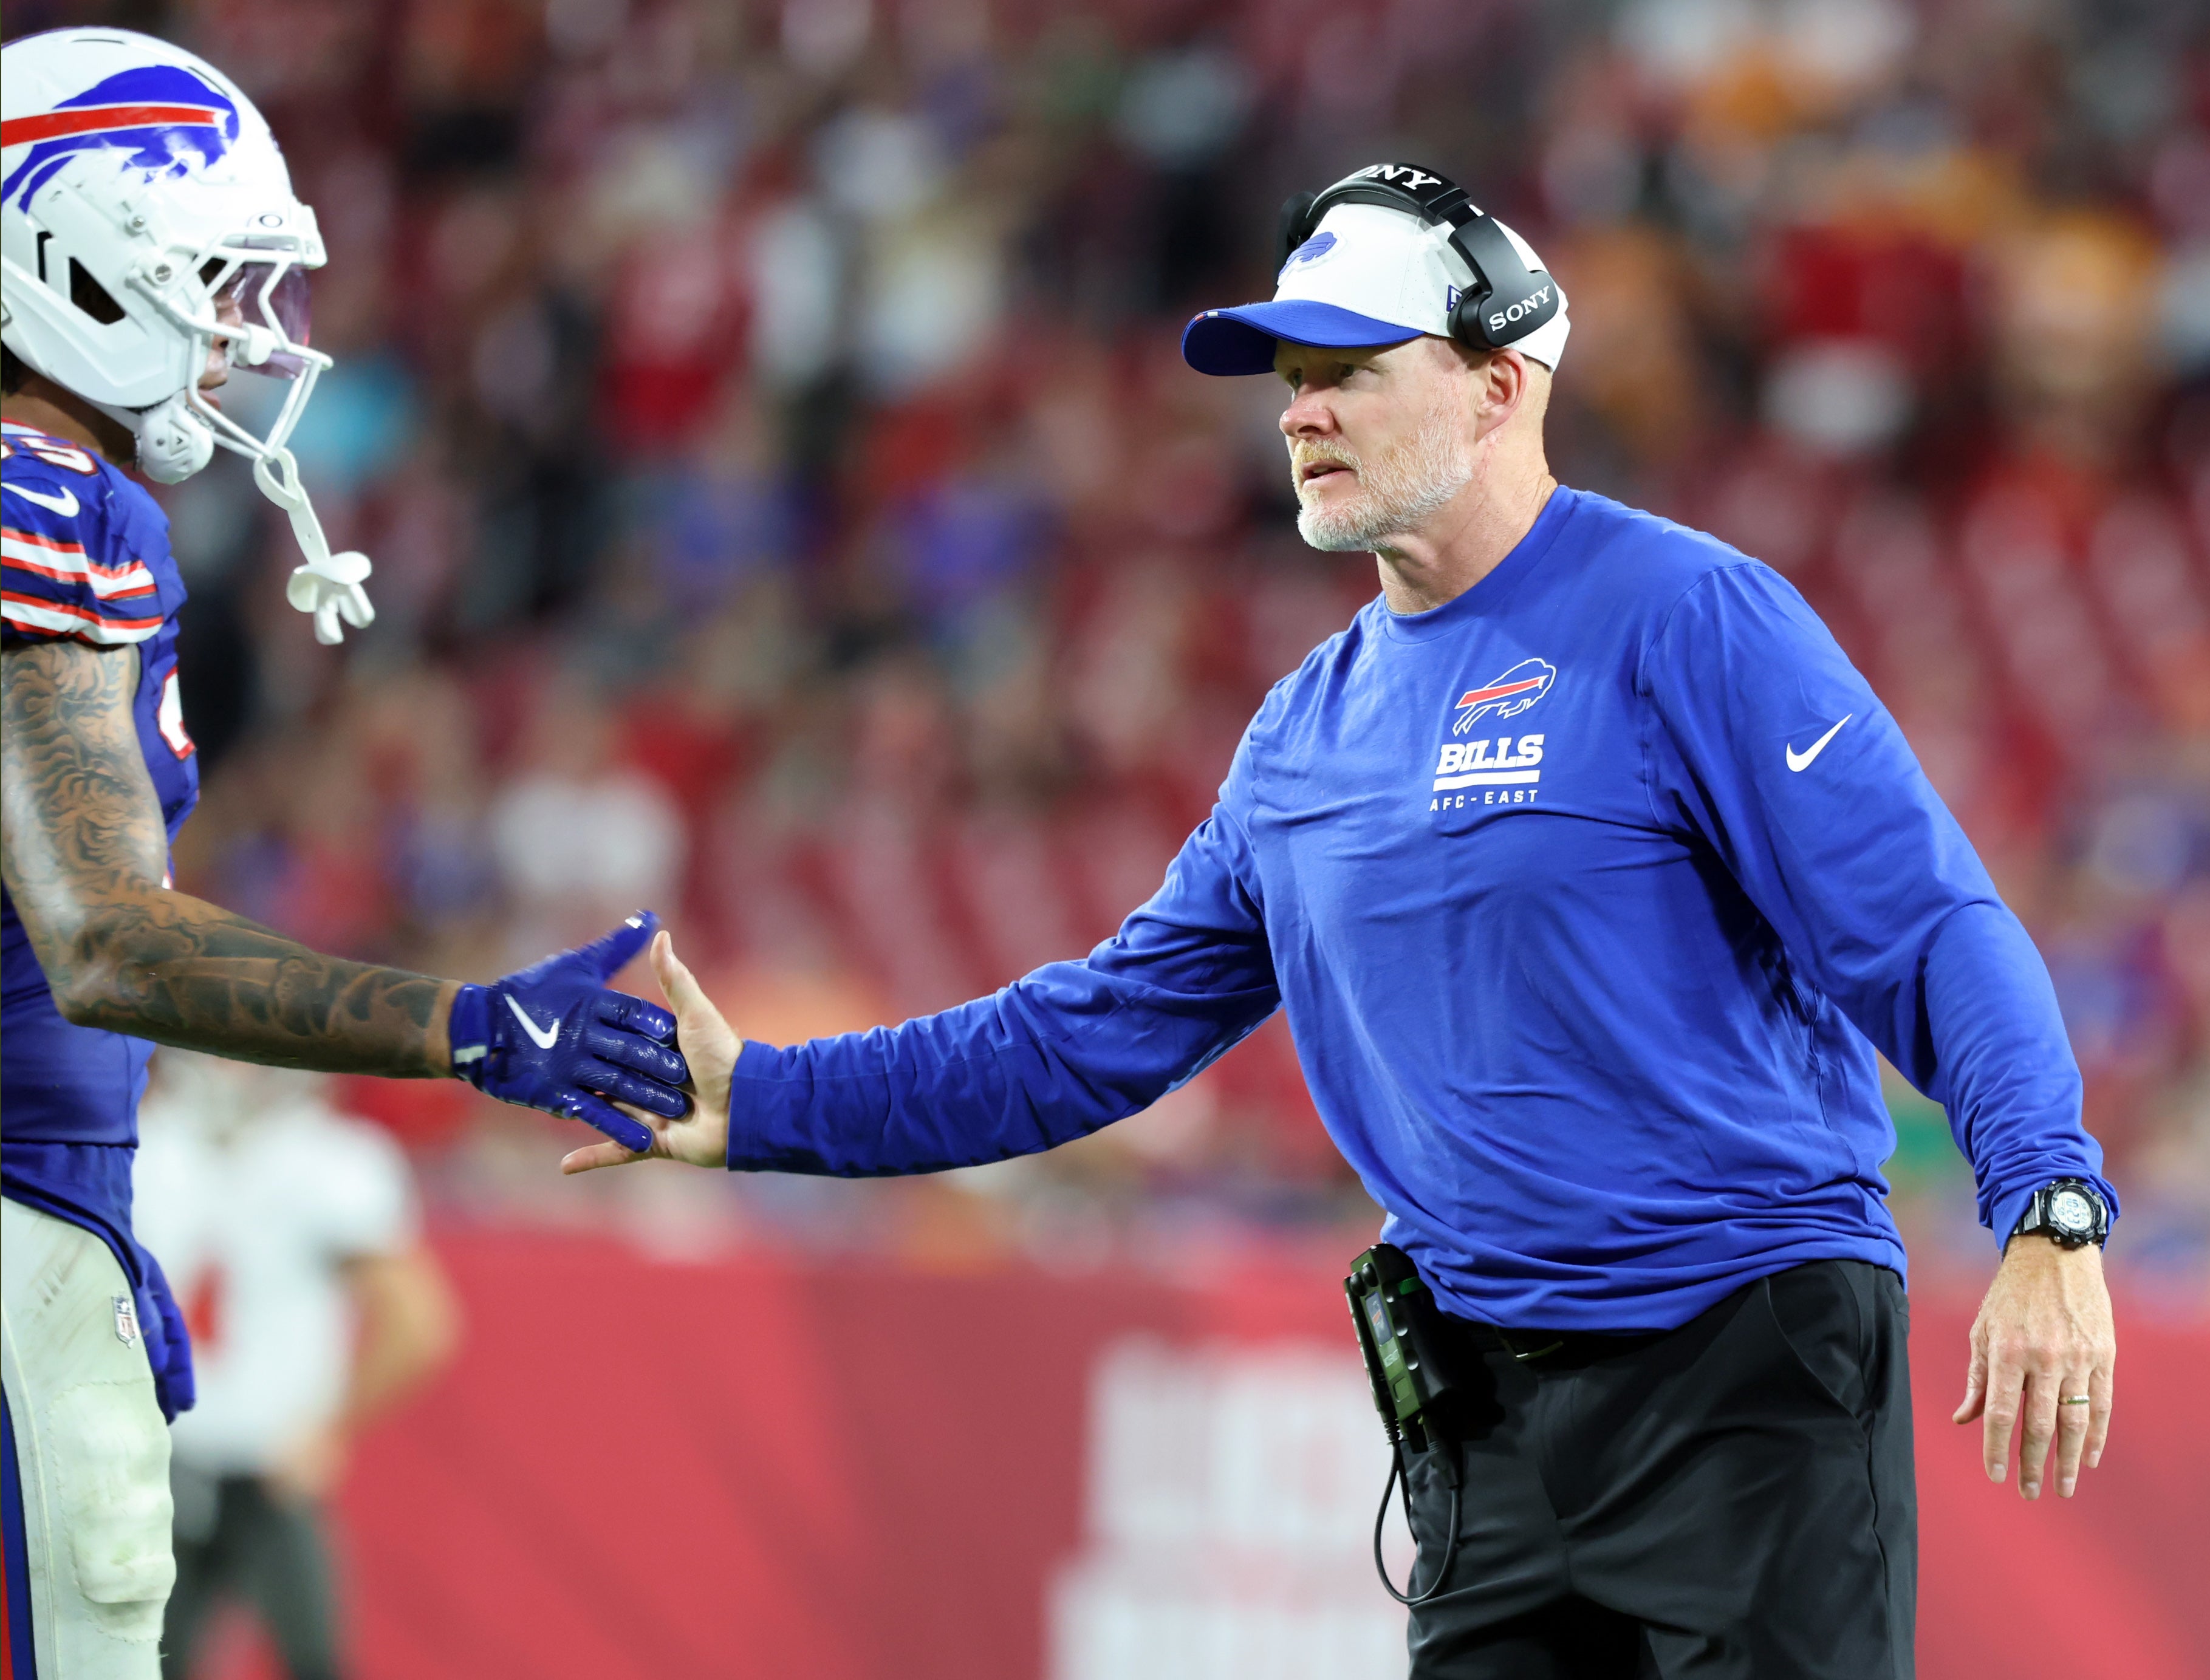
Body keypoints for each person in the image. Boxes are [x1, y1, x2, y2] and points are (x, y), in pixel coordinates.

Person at [569, 163, 2121, 1679]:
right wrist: (766, 1099)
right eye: (1288, 380)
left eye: (1349, 373)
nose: (1299, 411)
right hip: (1481, 1435)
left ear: (1500, 387)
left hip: (1743, 1378)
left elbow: (1922, 928)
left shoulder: (1690, 617)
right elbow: (1087, 1036)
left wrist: (2047, 1206)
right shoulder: (1302, 734)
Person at [1, 30, 691, 1679]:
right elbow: (102, 937)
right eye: (217, 280)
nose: (248, 334)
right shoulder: (40, 496)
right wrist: (464, 1021)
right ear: (68, 258)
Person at [132, 1056, 459, 1680]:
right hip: (157, 1464)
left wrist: (328, 1427)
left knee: (312, 1662)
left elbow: (419, 1323)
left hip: (266, 1467)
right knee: (144, 1666)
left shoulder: (332, 1161)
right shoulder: (142, 1146)